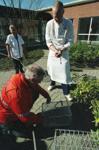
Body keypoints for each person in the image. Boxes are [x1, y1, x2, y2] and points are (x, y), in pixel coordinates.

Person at [0, 64, 51, 139]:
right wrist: (39, 118)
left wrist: (46, 95)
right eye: (39, 81)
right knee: (24, 133)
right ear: (32, 80)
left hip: (17, 109)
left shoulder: (23, 77)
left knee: (27, 122)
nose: (40, 83)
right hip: (7, 117)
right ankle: (6, 131)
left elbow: (36, 86)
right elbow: (23, 117)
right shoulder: (16, 94)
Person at [45, 1, 74, 101]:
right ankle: (52, 84)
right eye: (54, 15)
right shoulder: (49, 24)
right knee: (52, 70)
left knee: (64, 73)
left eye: (58, 15)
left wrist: (62, 50)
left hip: (64, 52)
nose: (56, 18)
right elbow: (48, 40)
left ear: (63, 12)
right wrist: (54, 50)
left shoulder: (69, 23)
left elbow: (70, 41)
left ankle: (66, 92)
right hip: (53, 52)